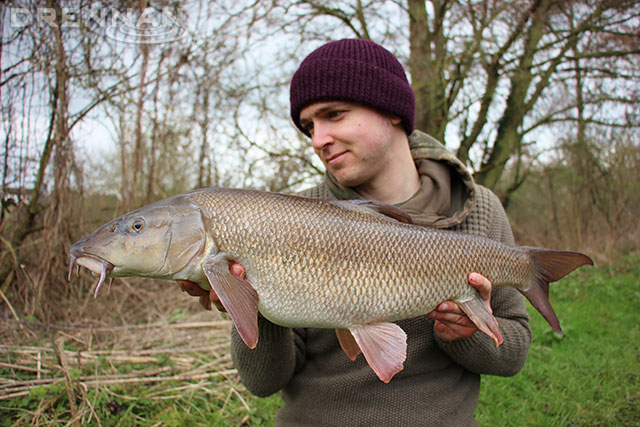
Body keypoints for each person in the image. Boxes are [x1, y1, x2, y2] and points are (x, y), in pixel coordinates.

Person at [228, 39, 532, 426]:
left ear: (391, 110)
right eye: (309, 126)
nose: (318, 139)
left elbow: (515, 354)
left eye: (333, 115)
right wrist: (250, 301)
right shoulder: (284, 219)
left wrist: (466, 334)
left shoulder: (478, 209)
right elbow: (262, 383)